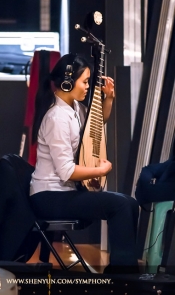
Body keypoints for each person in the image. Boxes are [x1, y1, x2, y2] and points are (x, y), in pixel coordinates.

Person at [30, 53, 139, 273]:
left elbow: (96, 125)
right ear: (68, 82)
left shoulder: (74, 109)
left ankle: (123, 271)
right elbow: (67, 171)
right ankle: (121, 276)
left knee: (129, 203)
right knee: (122, 205)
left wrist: (108, 98)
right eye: (85, 81)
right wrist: (100, 170)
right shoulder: (57, 118)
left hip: (63, 193)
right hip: (49, 197)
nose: (88, 87)